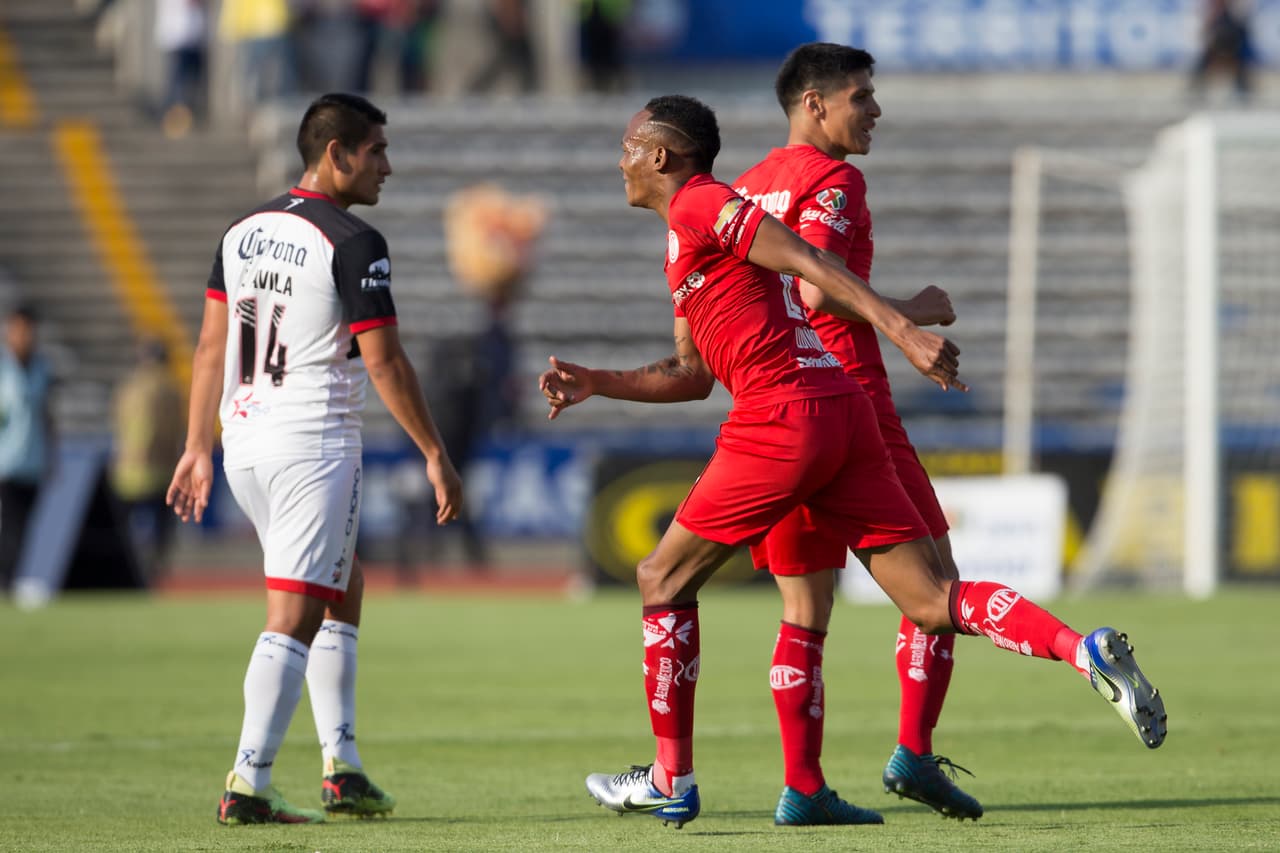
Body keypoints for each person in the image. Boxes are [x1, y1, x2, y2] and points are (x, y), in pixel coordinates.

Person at [538, 94, 1166, 829]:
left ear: (660, 156)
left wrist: (903, 327)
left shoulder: (702, 201)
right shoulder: (683, 237)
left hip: (782, 415)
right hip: (841, 410)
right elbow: (691, 374)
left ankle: (671, 775)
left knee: (661, 576)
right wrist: (597, 381)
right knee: (932, 600)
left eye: (627, 147)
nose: (618, 161)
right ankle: (1079, 647)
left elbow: (806, 260)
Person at [167, 92, 463, 825]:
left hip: (245, 443)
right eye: (376, 151)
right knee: (294, 611)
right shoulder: (354, 240)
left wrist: (197, 445)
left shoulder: (241, 230)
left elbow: (210, 346)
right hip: (313, 444)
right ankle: (248, 781)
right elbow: (386, 362)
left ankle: (344, 766)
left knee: (343, 582)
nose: (386, 167)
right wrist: (435, 452)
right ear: (336, 154)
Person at [731, 42, 977, 822]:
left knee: (803, 609)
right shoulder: (834, 177)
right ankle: (912, 752)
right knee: (937, 585)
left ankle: (801, 785)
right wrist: (915, 314)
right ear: (815, 104)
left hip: (775, 407)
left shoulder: (744, 187)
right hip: (852, 399)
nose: (875, 111)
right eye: (861, 97)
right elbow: (819, 290)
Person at [110, 338, 185, 582]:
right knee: (162, 527)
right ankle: (153, 568)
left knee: (125, 527)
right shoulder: (171, 390)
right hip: (160, 469)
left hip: (126, 470)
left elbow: (118, 424)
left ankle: (130, 567)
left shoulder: (127, 387)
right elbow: (175, 431)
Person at [0, 304, 54, 595]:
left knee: (22, 529)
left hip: (31, 461)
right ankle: (5, 581)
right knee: (6, 526)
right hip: (4, 463)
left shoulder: (42, 368)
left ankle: (9, 582)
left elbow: (47, 415)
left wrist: (52, 456)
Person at [1189, 0, 1254, 101]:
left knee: (1241, 60)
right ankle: (1195, 91)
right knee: (1203, 60)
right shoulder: (1212, 16)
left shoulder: (1236, 15)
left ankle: (1243, 91)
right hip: (1215, 49)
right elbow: (1203, 35)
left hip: (1234, 49)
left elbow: (1243, 33)